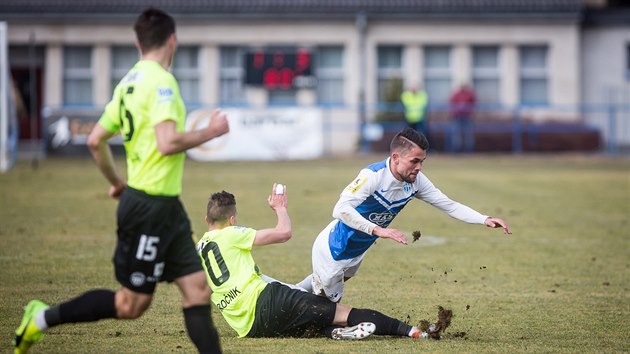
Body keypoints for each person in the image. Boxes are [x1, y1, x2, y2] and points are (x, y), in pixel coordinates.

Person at [13, 8, 228, 354]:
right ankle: (40, 318)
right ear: (172, 39)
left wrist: (116, 182)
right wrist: (212, 131)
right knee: (132, 305)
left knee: (197, 290)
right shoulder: (161, 81)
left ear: (137, 42)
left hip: (166, 207)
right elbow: (167, 141)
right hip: (147, 208)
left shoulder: (128, 81)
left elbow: (95, 139)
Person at [196, 184, 439, 340]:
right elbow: (284, 233)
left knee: (306, 319)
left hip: (247, 328)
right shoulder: (231, 233)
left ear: (206, 218)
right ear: (231, 219)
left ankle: (334, 332)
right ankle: (411, 331)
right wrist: (280, 208)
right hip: (265, 301)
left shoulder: (198, 250)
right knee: (340, 312)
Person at [296, 127, 511, 303]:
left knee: (330, 284)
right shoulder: (372, 176)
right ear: (396, 157)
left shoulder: (416, 181)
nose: (418, 168)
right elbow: (340, 209)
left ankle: (290, 290)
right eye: (414, 161)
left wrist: (484, 218)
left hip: (357, 251)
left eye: (422, 162)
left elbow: (449, 205)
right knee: (323, 308)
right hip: (335, 248)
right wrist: (379, 230)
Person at [449, 83, 477, 153]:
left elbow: (474, 104)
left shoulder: (470, 94)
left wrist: (470, 112)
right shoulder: (456, 94)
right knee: (457, 135)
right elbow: (452, 104)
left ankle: (469, 151)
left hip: (467, 117)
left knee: (468, 135)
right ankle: (457, 151)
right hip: (457, 117)